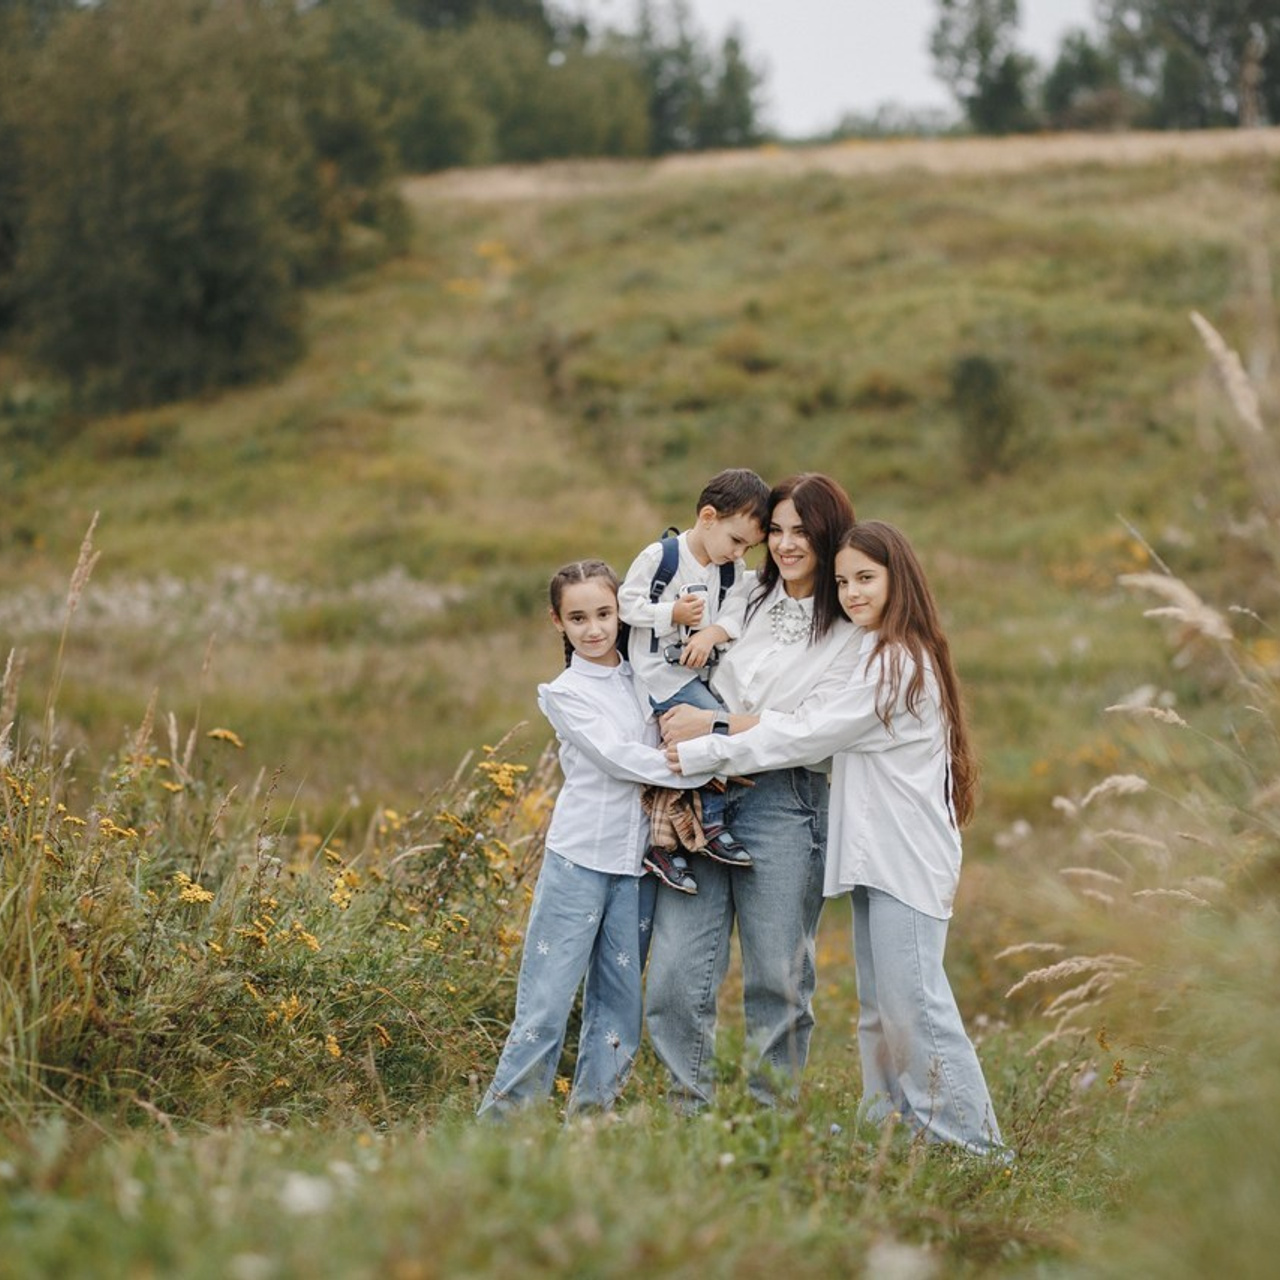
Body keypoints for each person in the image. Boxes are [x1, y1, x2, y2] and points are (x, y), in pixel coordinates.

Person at [669, 521, 1009, 1157]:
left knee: (917, 1008)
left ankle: (975, 1148)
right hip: (873, 858)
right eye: (844, 580)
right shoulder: (878, 652)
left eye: (866, 579)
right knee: (881, 1011)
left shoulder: (900, 663)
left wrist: (703, 750)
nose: (852, 592)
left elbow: (805, 736)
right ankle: (894, 1134)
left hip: (906, 859)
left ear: (897, 580)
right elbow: (805, 722)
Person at [644, 473, 861, 1110]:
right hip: (702, 792)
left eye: (804, 533)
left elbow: (812, 736)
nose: (787, 545)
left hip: (783, 801)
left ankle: (772, 1120)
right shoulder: (743, 593)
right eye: (777, 530)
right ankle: (687, 1115)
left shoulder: (850, 626)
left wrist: (712, 725)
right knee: (678, 973)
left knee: (778, 979)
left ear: (829, 538)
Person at [477, 560, 710, 1119]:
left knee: (620, 1006)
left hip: (637, 867)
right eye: (578, 617)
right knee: (547, 1002)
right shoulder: (564, 693)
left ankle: (592, 1121)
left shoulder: (645, 676)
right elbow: (622, 758)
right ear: (558, 622)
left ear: (620, 613)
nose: (595, 629)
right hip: (579, 861)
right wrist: (706, 761)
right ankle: (507, 1125)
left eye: (604, 614)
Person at [618, 468, 770, 894]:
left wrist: (710, 633)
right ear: (707, 517)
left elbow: (734, 614)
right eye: (736, 540)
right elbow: (627, 604)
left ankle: (663, 845)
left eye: (749, 546)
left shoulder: (729, 571)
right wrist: (672, 615)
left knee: (689, 744)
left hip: (698, 670)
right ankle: (713, 822)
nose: (740, 552)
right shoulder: (661, 557)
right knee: (714, 727)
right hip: (660, 674)